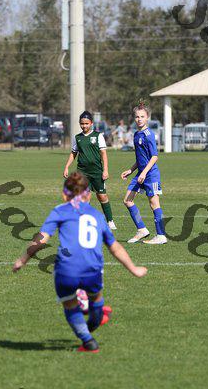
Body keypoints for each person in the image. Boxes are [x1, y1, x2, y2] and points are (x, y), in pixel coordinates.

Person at [13, 172, 147, 353]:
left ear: (64, 194)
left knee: (69, 304)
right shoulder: (97, 215)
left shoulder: (60, 210)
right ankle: (95, 315)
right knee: (96, 299)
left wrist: (22, 260)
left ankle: (88, 341)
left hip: (66, 271)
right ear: (88, 194)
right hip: (92, 269)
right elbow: (115, 247)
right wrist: (133, 269)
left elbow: (41, 239)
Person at [121, 101, 167, 244]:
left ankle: (161, 235)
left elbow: (154, 157)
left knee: (154, 203)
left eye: (142, 116)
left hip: (150, 174)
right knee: (127, 200)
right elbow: (141, 158)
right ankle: (142, 229)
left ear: (147, 118)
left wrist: (144, 173)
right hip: (140, 173)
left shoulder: (149, 135)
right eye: (137, 117)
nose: (139, 119)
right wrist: (131, 170)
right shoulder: (136, 134)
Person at [63, 111, 117, 230]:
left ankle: (110, 221)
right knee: (84, 197)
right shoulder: (77, 138)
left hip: (97, 171)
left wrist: (105, 170)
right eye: (82, 123)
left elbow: (103, 154)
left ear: (91, 123)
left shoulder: (98, 136)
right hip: (82, 172)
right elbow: (73, 153)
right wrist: (66, 166)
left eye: (86, 123)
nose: (84, 126)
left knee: (102, 196)